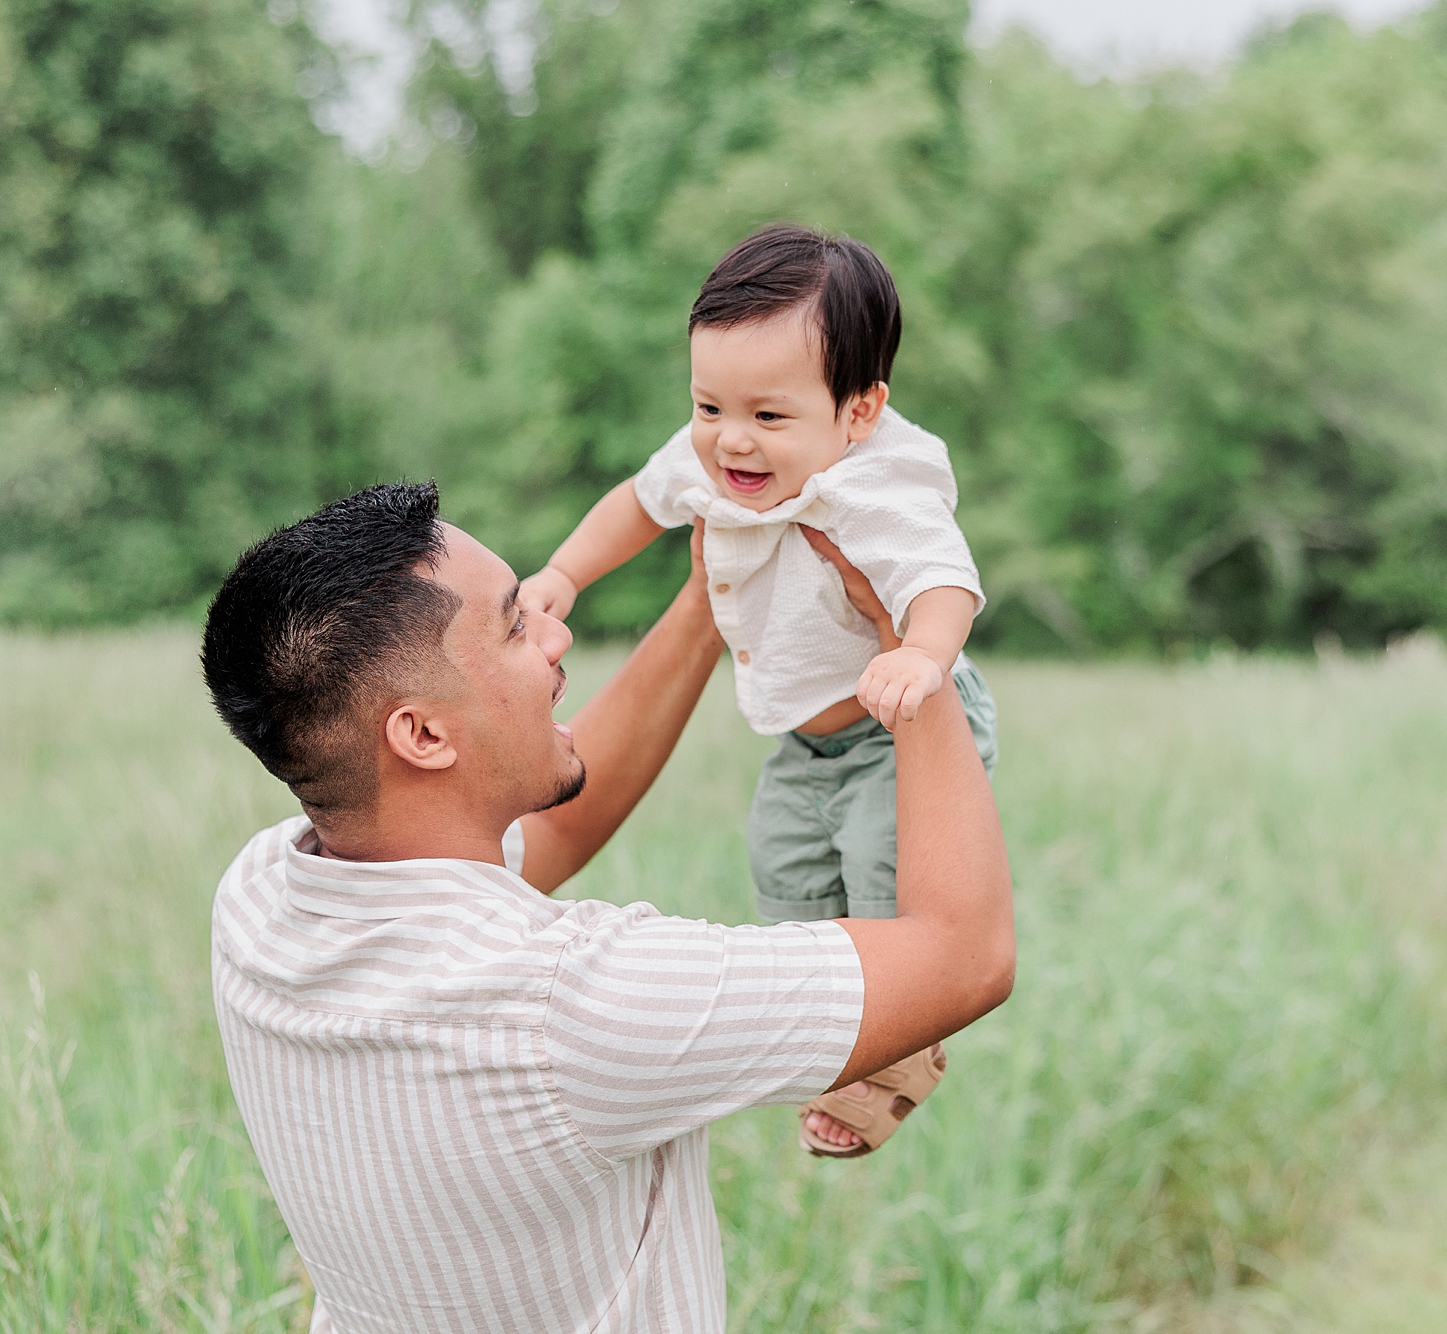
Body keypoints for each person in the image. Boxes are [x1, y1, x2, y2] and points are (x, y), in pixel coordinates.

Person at [199, 481, 1013, 1333]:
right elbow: (964, 954)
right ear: (425, 736)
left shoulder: (258, 896)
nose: (557, 634)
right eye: (516, 625)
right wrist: (908, 641)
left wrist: (710, 595)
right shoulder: (568, 1001)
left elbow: (555, 827)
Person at [518, 226, 995, 1156]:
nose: (730, 439)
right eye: (707, 405)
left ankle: (899, 1058)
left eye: (769, 418)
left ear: (858, 413)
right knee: (784, 882)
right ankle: (841, 1042)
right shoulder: (712, 454)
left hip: (887, 729)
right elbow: (636, 503)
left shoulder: (882, 480)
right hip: (804, 743)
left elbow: (945, 577)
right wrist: (566, 576)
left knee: (887, 892)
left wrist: (921, 657)